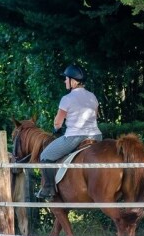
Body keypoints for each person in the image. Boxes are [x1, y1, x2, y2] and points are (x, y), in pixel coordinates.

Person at [36, 64, 103, 200]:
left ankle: (49, 188)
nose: (65, 81)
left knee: (45, 156)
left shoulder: (66, 99)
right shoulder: (92, 97)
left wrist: (57, 129)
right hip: (96, 135)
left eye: (66, 79)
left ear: (74, 81)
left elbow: (57, 122)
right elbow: (95, 117)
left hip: (75, 137)